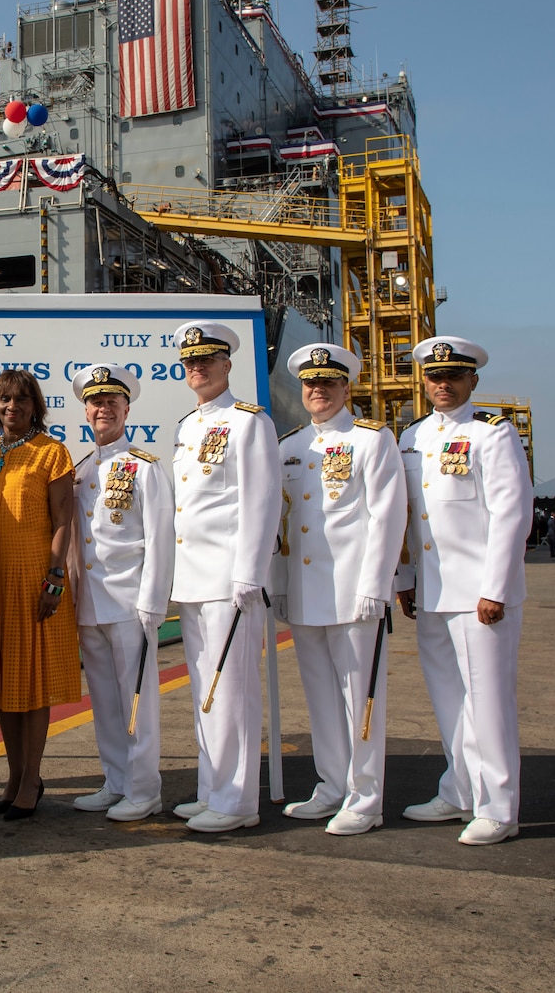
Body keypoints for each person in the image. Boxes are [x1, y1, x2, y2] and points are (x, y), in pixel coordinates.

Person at [395, 337, 533, 846]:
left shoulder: (492, 435)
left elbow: (511, 514)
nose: (443, 384)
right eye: (434, 376)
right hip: (432, 592)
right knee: (449, 700)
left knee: (489, 704)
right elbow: (408, 521)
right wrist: (406, 581)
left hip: (479, 595)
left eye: (453, 375)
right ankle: (459, 791)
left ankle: (499, 808)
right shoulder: (411, 438)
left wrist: (495, 588)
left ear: (473, 380)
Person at [269, 344, 406, 836]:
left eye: (328, 383)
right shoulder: (290, 447)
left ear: (346, 388)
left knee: (361, 696)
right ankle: (331, 785)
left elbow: (388, 517)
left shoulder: (371, 440)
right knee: (320, 698)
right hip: (306, 594)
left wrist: (377, 585)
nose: (318, 391)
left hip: (353, 593)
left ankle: (366, 798)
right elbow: (284, 526)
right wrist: (280, 586)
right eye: (310, 383)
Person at [168, 321, 281, 833]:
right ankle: (212, 790)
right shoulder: (188, 426)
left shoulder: (249, 422)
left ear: (227, 365)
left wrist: (250, 573)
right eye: (191, 361)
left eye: (207, 359)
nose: (198, 367)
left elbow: (262, 499)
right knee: (204, 693)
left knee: (231, 692)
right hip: (194, 580)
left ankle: (237, 803)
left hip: (229, 581)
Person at [0, 369, 79, 820]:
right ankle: (13, 777)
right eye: (4, 399)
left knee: (32, 689)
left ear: (36, 406)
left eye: (21, 399)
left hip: (37, 582)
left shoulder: (52, 453)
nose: (12, 406)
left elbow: (64, 520)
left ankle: (32, 778)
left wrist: (54, 579)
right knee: (5, 687)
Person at [67, 365, 175, 823]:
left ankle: (145, 788)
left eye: (112, 401)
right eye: (95, 402)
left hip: (131, 602)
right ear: (85, 412)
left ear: (127, 408)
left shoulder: (145, 468)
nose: (103, 408)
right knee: (105, 701)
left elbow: (161, 537)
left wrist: (153, 601)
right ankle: (115, 781)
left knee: (136, 699)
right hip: (90, 603)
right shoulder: (81, 468)